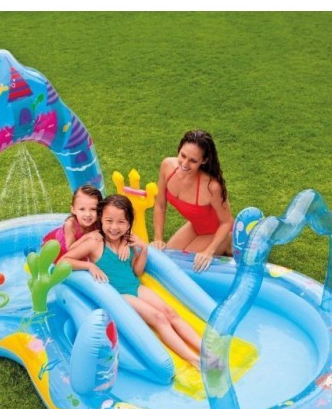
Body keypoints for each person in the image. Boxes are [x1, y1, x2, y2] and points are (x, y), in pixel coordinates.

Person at [61, 194, 209, 370]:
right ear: (101, 219)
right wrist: (89, 266)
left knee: (171, 313)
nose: (114, 227)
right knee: (159, 318)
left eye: (121, 222)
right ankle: (194, 360)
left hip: (134, 286)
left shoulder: (128, 240)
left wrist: (143, 249)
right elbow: (64, 261)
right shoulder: (95, 242)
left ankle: (206, 351)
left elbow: (136, 271)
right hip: (119, 294)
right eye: (109, 221)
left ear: (129, 223)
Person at [151, 129, 233, 272]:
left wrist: (208, 251)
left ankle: (227, 245)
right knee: (164, 260)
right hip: (195, 226)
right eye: (183, 155)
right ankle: (224, 250)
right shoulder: (167, 166)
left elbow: (226, 222)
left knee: (181, 267)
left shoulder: (212, 187)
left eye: (193, 161)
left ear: (204, 160)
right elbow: (160, 205)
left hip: (218, 232)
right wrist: (158, 238)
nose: (184, 164)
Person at [41, 184, 103, 261]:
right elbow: (70, 248)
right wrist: (87, 236)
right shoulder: (70, 224)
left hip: (80, 248)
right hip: (60, 249)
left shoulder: (99, 222)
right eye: (82, 209)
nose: (88, 214)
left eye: (93, 209)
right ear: (73, 209)